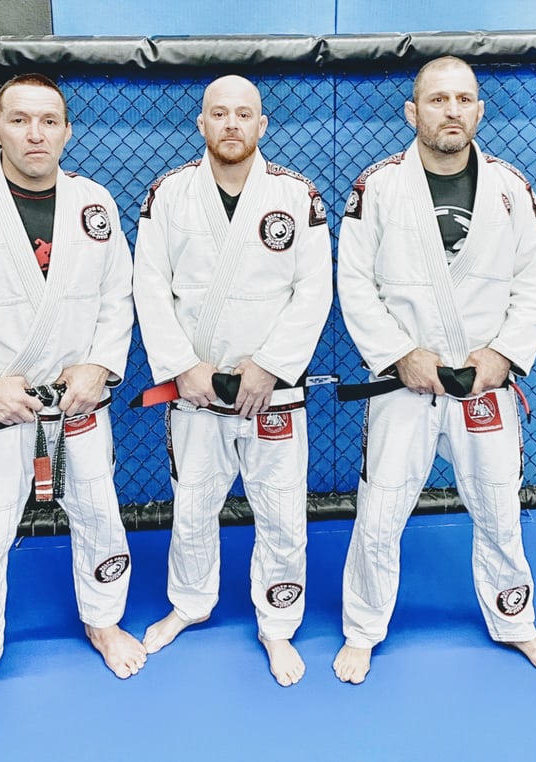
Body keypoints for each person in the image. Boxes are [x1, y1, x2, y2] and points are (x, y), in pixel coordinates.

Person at [0, 73, 146, 728]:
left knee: (100, 516)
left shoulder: (94, 203)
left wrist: (100, 367)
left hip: (77, 403)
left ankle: (103, 620)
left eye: (48, 121)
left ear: (67, 131)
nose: (35, 133)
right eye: (19, 120)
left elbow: (116, 297)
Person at [334, 56, 536, 684]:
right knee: (379, 512)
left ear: (479, 111)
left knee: (498, 507)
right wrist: (399, 354)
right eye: (438, 99)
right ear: (412, 112)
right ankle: (363, 630)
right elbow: (354, 282)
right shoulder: (378, 187)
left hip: (483, 381)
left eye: (464, 99)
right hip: (403, 383)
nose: (452, 111)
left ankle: (516, 623)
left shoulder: (511, 189)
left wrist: (503, 354)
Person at [132, 74, 332, 686]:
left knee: (282, 511)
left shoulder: (297, 194)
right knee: (193, 505)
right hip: (196, 390)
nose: (231, 124)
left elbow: (314, 290)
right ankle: (190, 603)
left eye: (244, 114)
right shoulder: (168, 194)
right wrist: (180, 367)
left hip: (272, 391)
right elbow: (149, 286)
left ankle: (278, 622)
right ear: (201, 123)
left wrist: (270, 365)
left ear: (261, 125)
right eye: (219, 113)